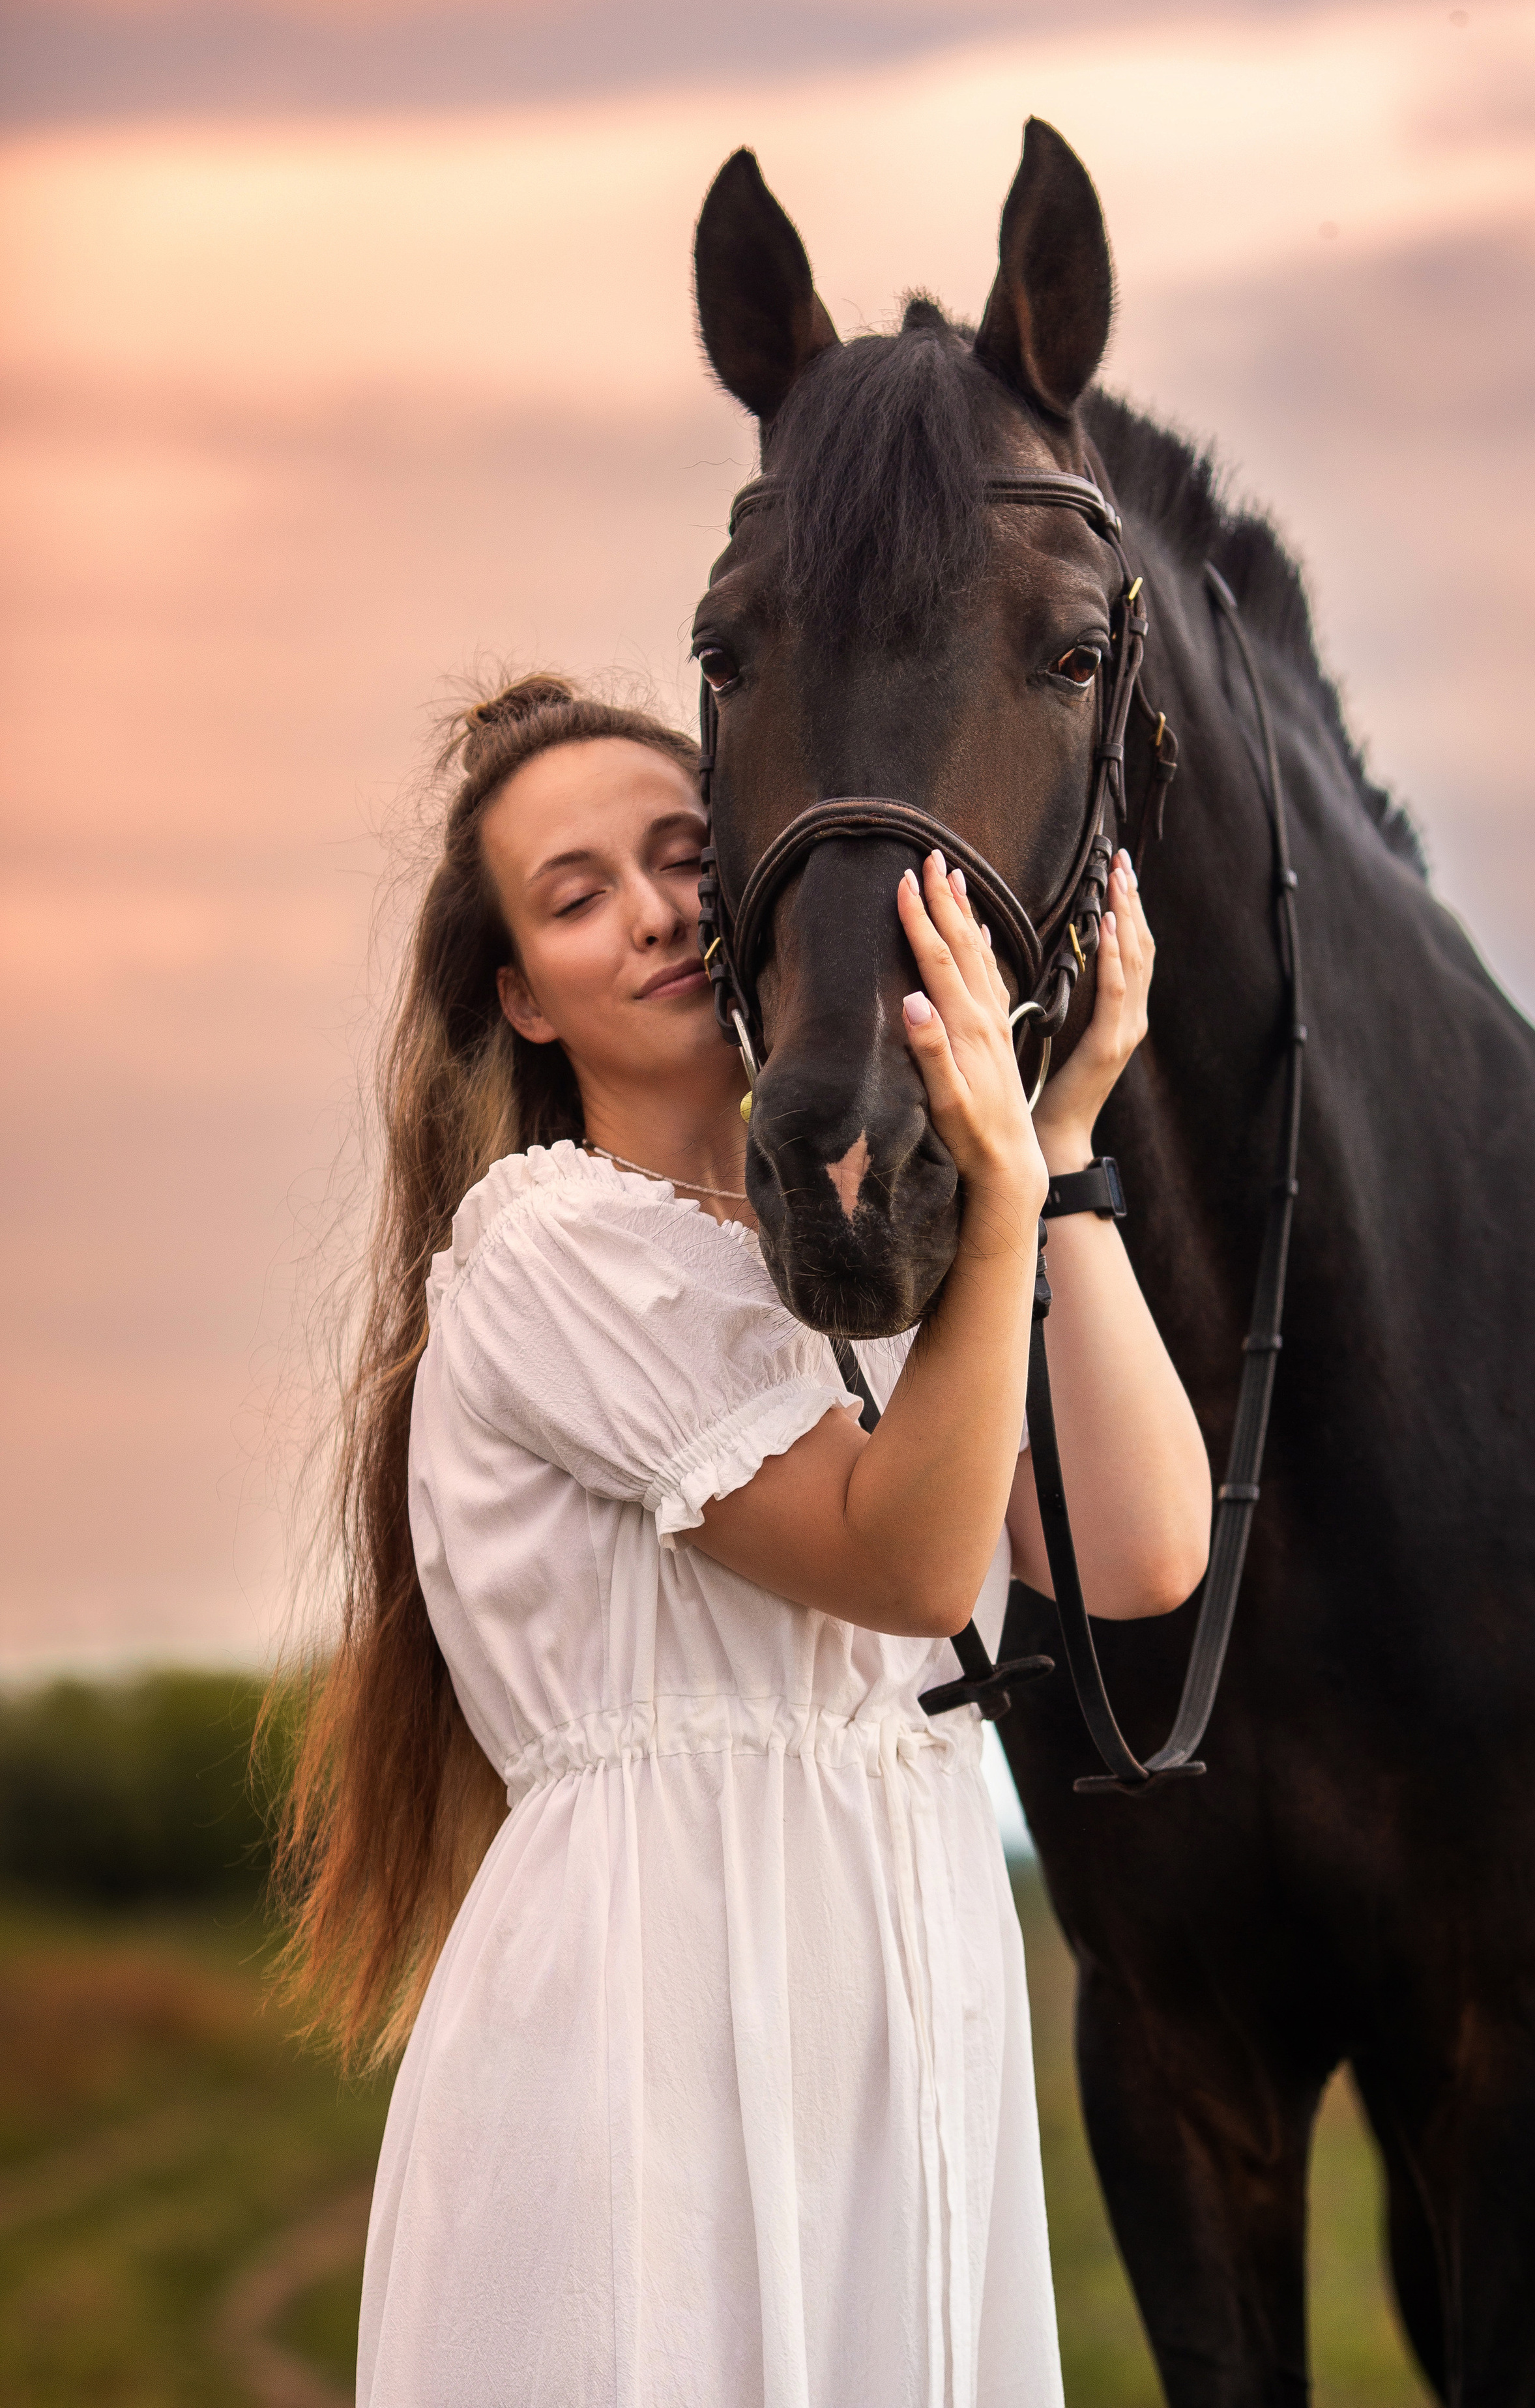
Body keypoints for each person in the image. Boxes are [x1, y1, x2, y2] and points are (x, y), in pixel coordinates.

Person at [274, 672, 1212, 2408]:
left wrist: (1058, 1152)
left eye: (686, 852)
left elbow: (1143, 1555)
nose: (654, 914)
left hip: (899, 1975)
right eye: (576, 895)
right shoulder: (546, 1250)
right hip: (656, 2015)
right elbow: (916, 1567)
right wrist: (994, 1201)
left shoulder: (869, 1263)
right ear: (520, 1000)